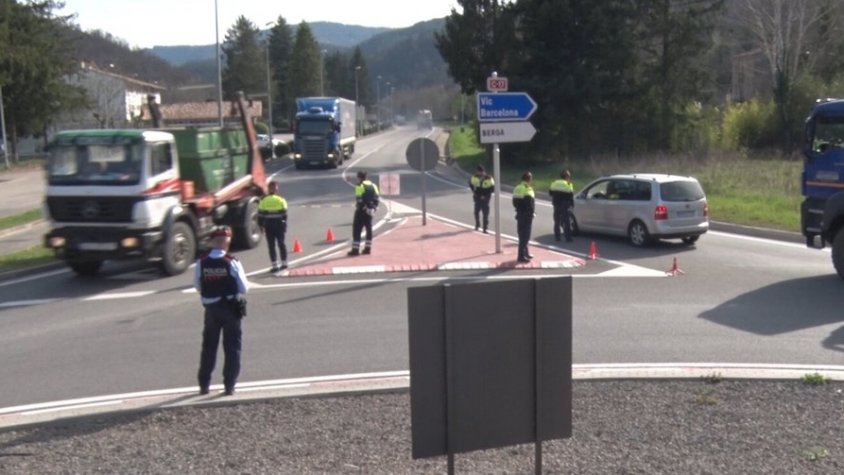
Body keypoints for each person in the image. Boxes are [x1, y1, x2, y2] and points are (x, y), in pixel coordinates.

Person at [193, 226, 249, 396]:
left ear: (212, 242)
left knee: (209, 347)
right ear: (227, 242)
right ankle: (229, 386)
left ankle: (204, 385)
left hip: (211, 309)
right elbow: (244, 288)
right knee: (232, 347)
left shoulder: (201, 262)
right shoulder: (231, 261)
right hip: (230, 308)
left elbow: (197, 285)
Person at [258, 181, 289, 272]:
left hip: (268, 225)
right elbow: (285, 214)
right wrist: (284, 224)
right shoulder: (281, 199)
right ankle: (284, 263)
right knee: (281, 244)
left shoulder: (263, 200)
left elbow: (260, 215)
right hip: (279, 225)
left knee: (271, 246)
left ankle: (275, 265)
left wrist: (261, 226)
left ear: (268, 188)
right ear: (276, 189)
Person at [348, 170, 380, 256]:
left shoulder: (359, 186)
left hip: (361, 212)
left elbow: (359, 200)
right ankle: (368, 248)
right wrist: (373, 209)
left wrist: (365, 209)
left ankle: (355, 250)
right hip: (370, 212)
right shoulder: (374, 186)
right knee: (369, 229)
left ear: (359, 177)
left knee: (357, 230)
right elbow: (376, 199)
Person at [512, 171, 536, 263]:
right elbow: (529, 204)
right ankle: (521, 256)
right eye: (531, 178)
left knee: (522, 234)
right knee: (525, 236)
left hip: (519, 214)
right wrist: (531, 213)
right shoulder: (527, 189)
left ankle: (526, 253)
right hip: (526, 215)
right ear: (529, 179)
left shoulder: (517, 187)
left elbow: (514, 202)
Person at [549, 169, 575, 242]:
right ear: (567, 177)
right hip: (565, 205)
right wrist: (572, 205)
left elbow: (550, 193)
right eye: (569, 176)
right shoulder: (568, 184)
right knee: (566, 222)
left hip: (556, 204)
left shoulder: (554, 183)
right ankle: (568, 238)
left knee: (556, 221)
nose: (570, 178)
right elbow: (571, 195)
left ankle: (557, 237)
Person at [469, 165, 495, 233]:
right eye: (478, 172)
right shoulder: (474, 177)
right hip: (477, 197)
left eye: (480, 172)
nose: (478, 173)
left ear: (483, 172)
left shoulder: (489, 178)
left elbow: (492, 189)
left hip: (485, 198)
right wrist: (473, 192)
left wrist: (485, 196)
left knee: (485, 214)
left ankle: (485, 228)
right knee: (476, 212)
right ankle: (477, 224)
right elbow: (471, 184)